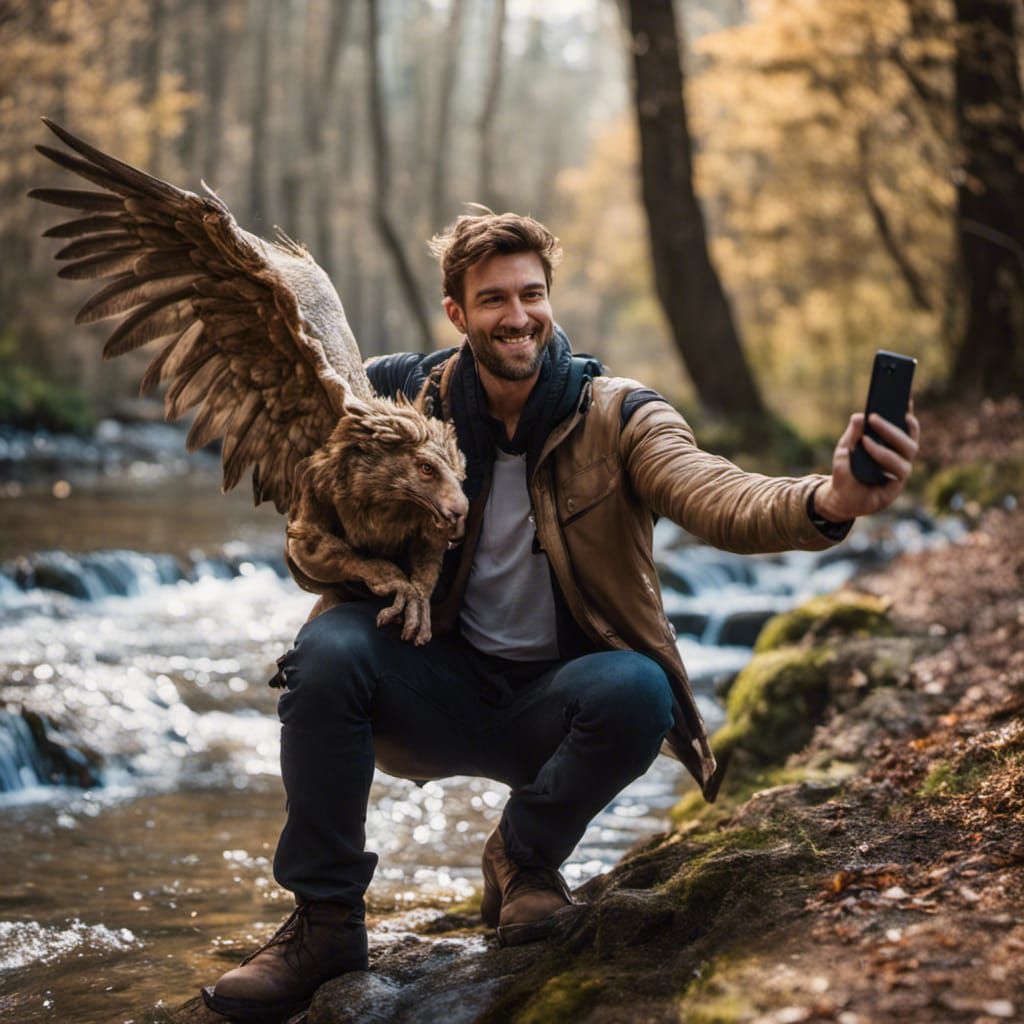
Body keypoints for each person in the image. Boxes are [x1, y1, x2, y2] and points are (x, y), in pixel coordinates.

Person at [203, 211, 920, 1020]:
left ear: (549, 298)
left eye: (531, 294)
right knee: (326, 653)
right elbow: (308, 534)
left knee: (639, 689)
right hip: (430, 685)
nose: (517, 316)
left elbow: (716, 495)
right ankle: (325, 922)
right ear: (457, 314)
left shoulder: (617, 415)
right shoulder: (396, 401)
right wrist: (353, 561)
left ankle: (524, 860)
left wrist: (829, 501)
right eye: (494, 299)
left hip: (557, 700)